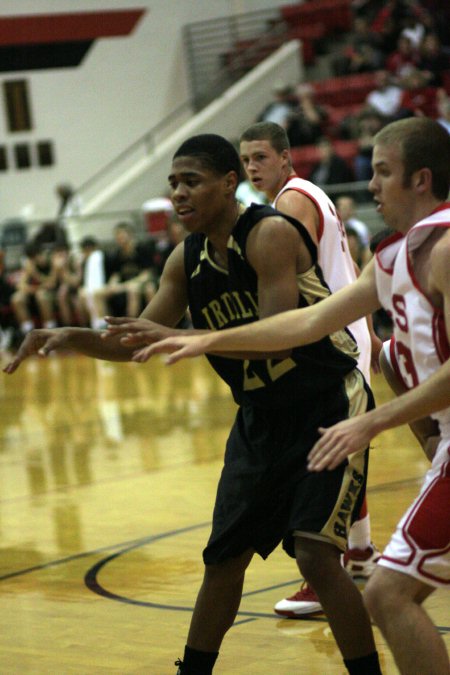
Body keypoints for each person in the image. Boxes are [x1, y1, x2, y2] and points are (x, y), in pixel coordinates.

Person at [4, 134, 383, 675]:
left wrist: (201, 338)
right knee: (223, 559)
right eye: (173, 184)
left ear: (229, 183)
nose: (178, 195)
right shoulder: (186, 259)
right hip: (260, 417)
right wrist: (67, 335)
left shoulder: (269, 233)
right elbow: (140, 337)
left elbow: (278, 334)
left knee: (316, 556)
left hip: (325, 404)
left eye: (191, 182)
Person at [144, 118, 450, 675]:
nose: (371, 185)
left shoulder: (290, 211)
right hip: (326, 384)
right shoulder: (391, 258)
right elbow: (331, 334)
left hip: (327, 379)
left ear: (422, 179)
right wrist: (206, 337)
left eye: (382, 172)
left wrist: (375, 422)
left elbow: (294, 326)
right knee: (381, 593)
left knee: (369, 584)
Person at [238, 121, 382, 617]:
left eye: (260, 157)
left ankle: (326, 577)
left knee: (321, 460)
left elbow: (303, 285)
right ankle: (360, 553)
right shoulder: (310, 194)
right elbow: (341, 267)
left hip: (333, 340)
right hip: (350, 331)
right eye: (246, 160)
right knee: (344, 452)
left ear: (285, 157)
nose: (253, 167)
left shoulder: (289, 204)